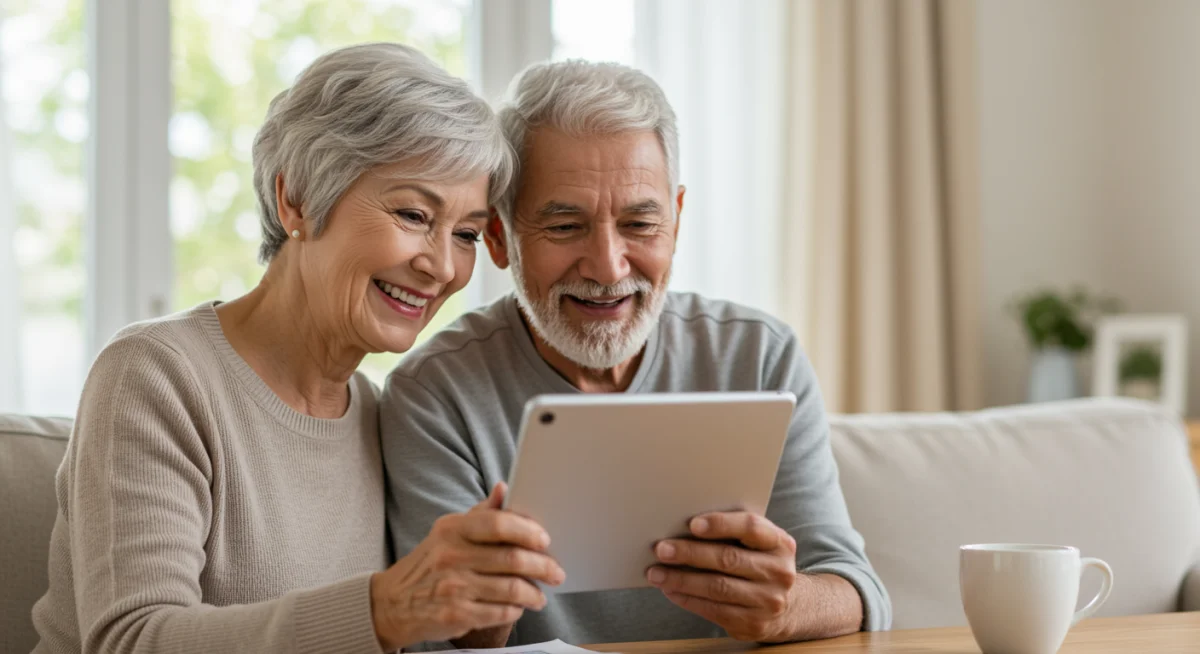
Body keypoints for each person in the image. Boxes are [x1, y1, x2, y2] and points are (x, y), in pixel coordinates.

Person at [31, 43, 565, 654]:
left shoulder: (379, 412)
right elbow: (133, 640)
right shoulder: (154, 376)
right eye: (414, 214)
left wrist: (477, 620)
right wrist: (388, 608)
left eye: (466, 233)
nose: (442, 265)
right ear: (298, 200)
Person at [381, 60, 892, 649]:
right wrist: (478, 615)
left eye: (640, 223)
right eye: (566, 226)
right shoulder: (433, 393)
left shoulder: (759, 355)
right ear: (499, 236)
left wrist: (787, 606)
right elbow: (430, 643)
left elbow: (857, 591)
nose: (608, 267)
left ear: (676, 218)